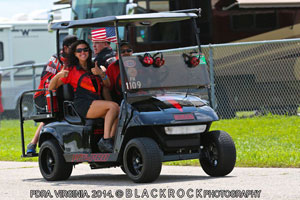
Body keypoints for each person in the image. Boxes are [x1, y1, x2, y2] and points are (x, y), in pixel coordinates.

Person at [49, 40, 119, 153]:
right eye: (79, 50)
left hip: (96, 102)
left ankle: (108, 140)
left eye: (85, 49)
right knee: (113, 107)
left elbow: (108, 85)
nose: (83, 52)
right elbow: (51, 87)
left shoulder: (94, 66)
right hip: (84, 104)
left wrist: (101, 74)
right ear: (75, 54)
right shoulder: (71, 70)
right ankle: (106, 140)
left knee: (120, 113)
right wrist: (58, 75)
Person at [26, 35, 78, 154]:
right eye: (74, 47)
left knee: (51, 118)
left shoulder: (57, 57)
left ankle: (32, 145)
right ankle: (33, 144)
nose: (76, 50)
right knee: (51, 118)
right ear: (65, 48)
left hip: (50, 93)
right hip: (44, 95)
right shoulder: (62, 61)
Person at [106, 40, 133, 104]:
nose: (126, 53)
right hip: (122, 100)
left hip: (139, 98)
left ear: (132, 52)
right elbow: (107, 88)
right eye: (122, 51)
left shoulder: (138, 64)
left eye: (128, 50)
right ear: (117, 54)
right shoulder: (112, 67)